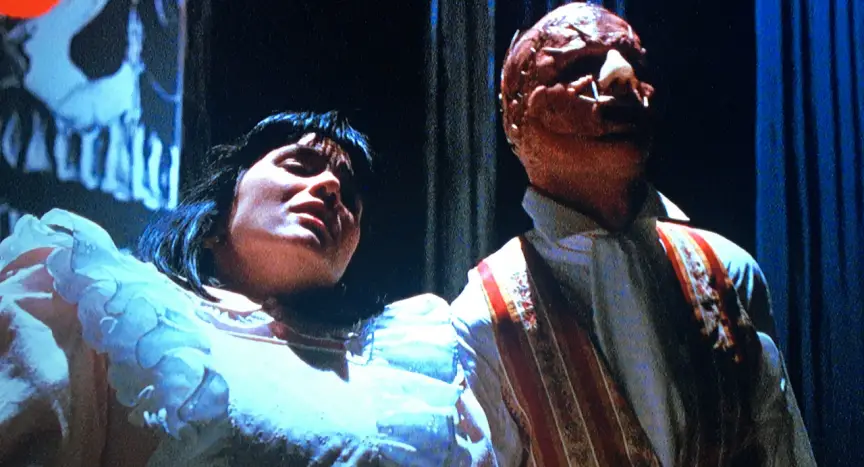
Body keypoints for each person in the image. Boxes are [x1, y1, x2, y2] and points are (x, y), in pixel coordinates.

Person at [0, 111, 489, 466]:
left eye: (350, 196)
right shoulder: (109, 305)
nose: (330, 188)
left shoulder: (401, 362)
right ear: (217, 215)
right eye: (300, 166)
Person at [451, 4, 816, 466]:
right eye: (579, 67)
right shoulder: (484, 315)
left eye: (635, 64)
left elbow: (783, 450)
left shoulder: (728, 272)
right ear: (516, 113)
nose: (622, 77)